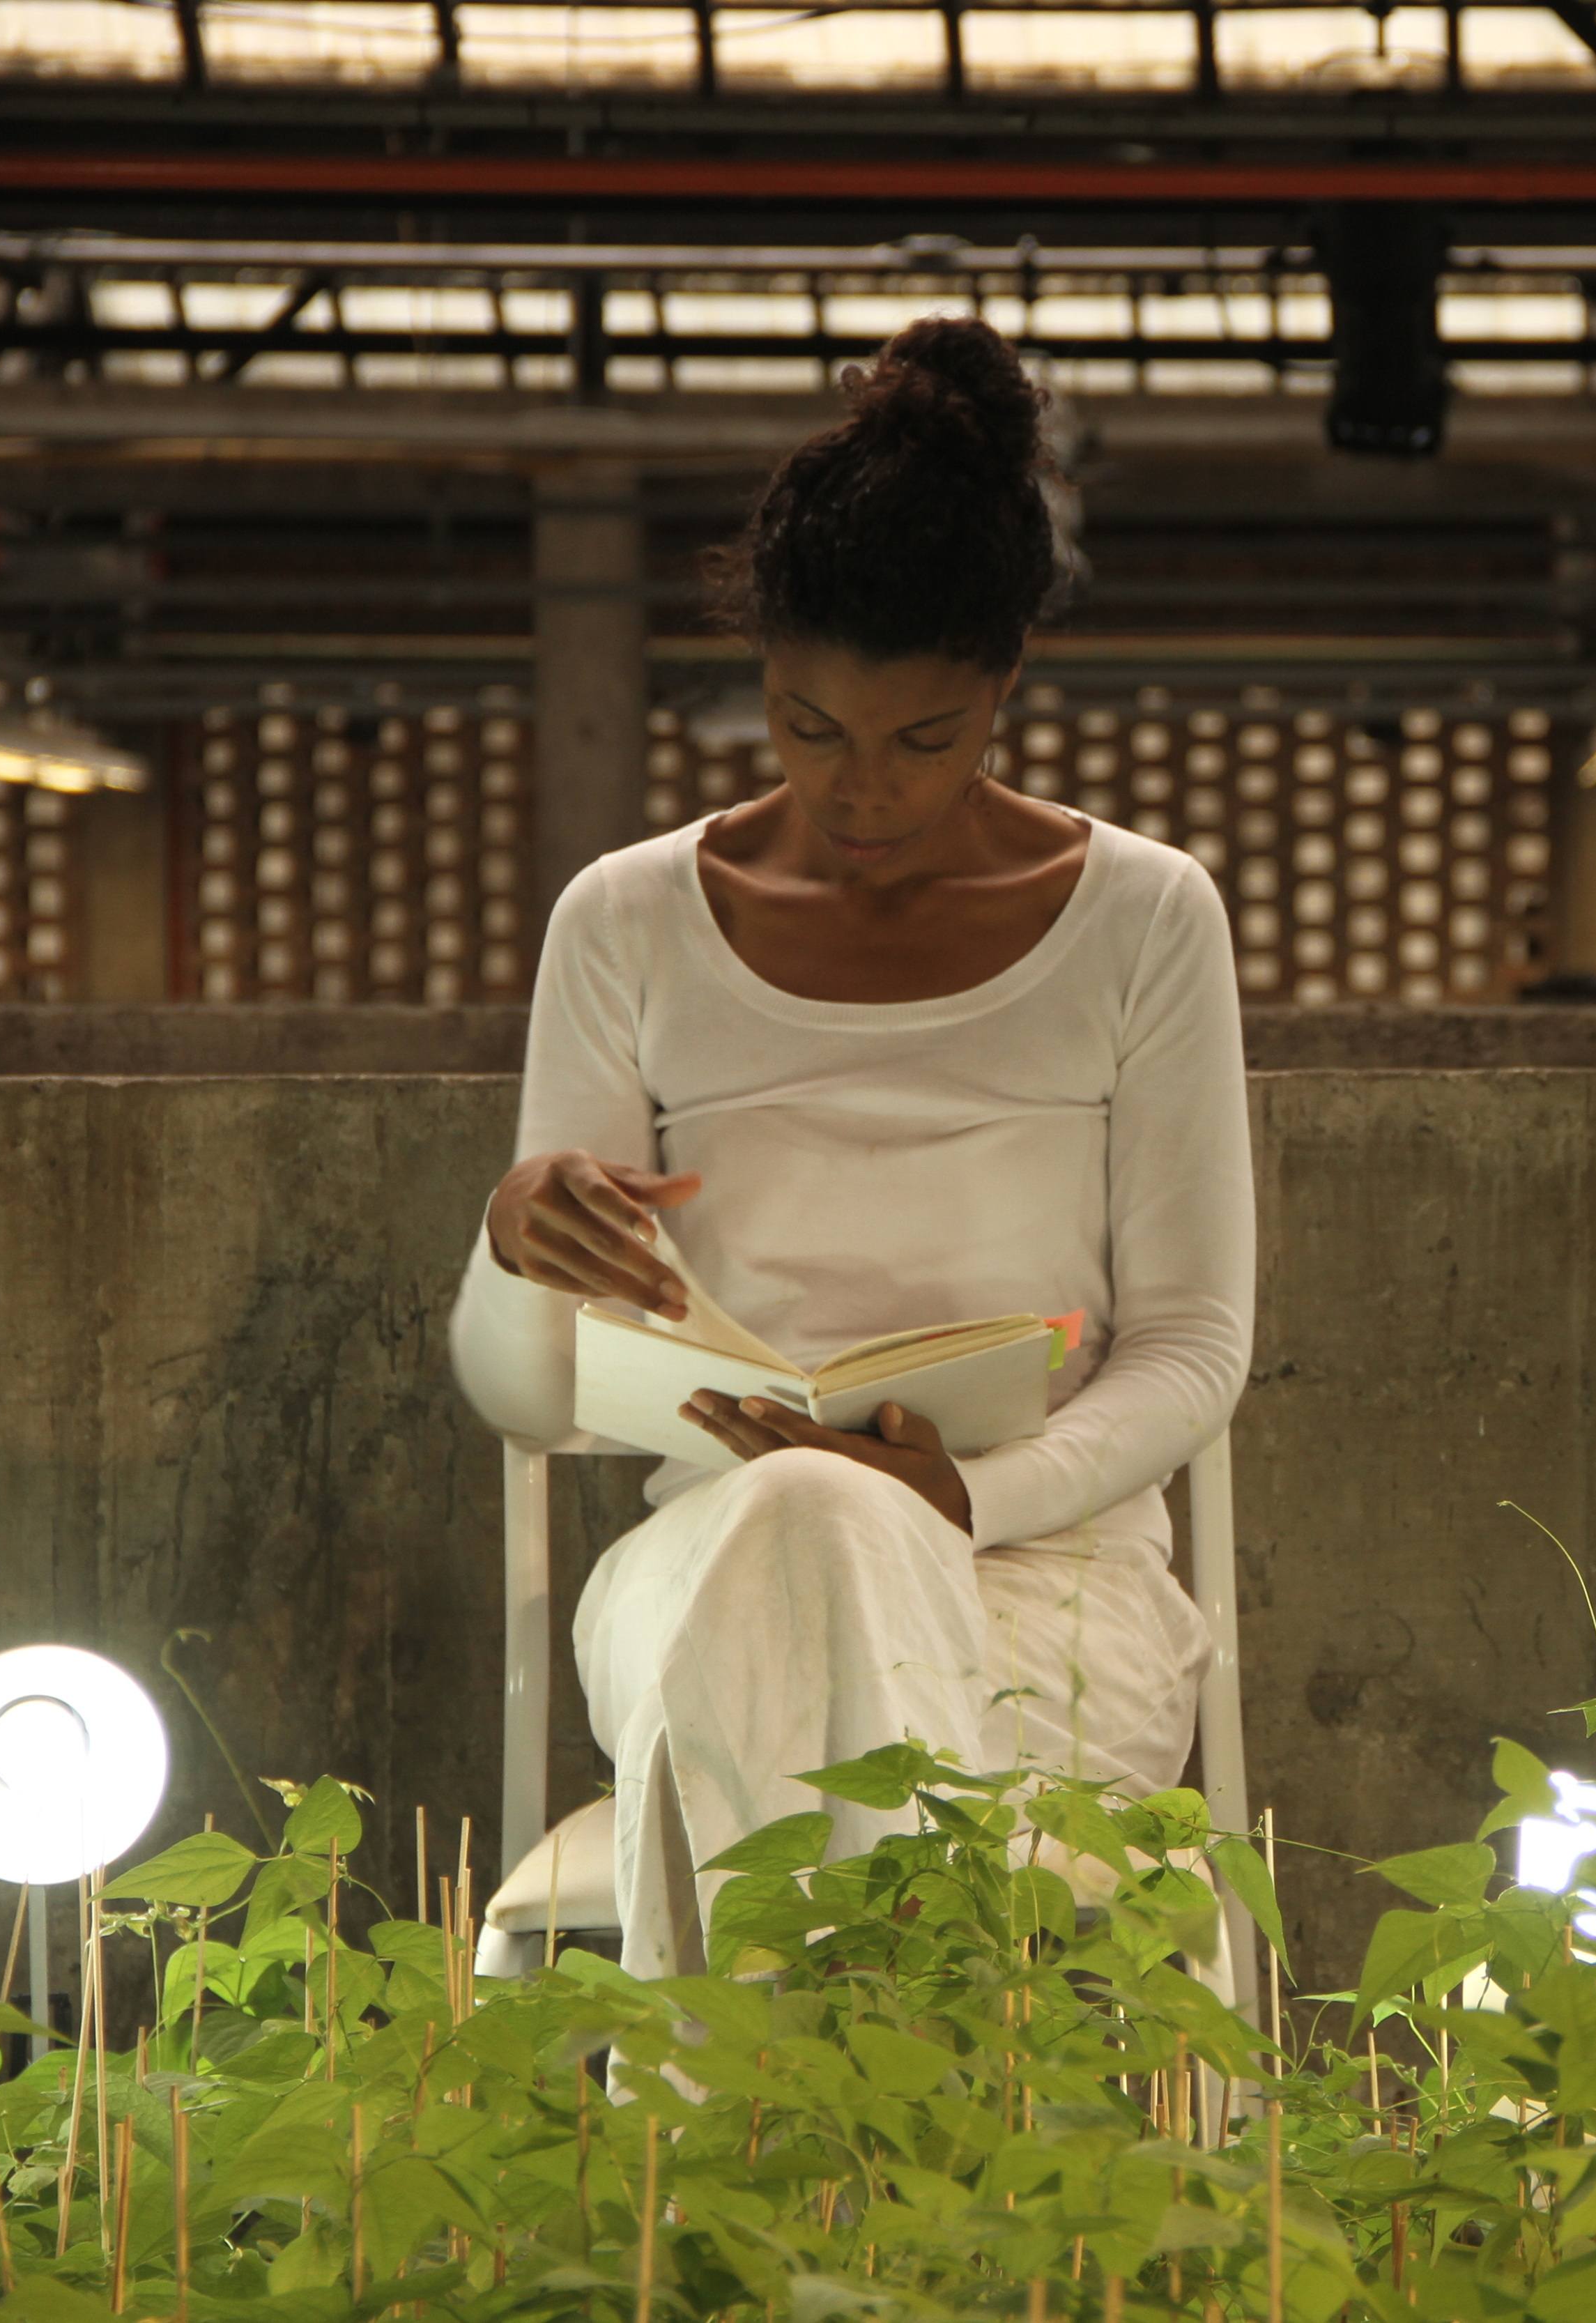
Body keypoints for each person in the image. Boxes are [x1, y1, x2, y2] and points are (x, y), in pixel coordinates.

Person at [449, 315, 1253, 1978]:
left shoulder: (1143, 920)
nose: (860, 791)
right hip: (711, 1559)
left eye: (922, 740)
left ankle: (722, 2117)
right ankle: (933, 2099)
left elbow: (1191, 1346)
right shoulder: (628, 921)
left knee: (803, 1604)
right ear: (762, 676)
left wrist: (962, 1493)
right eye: (809, 728)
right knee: (801, 1529)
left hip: (1043, 1579)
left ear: (1005, 686)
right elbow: (528, 1400)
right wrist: (518, 1242)